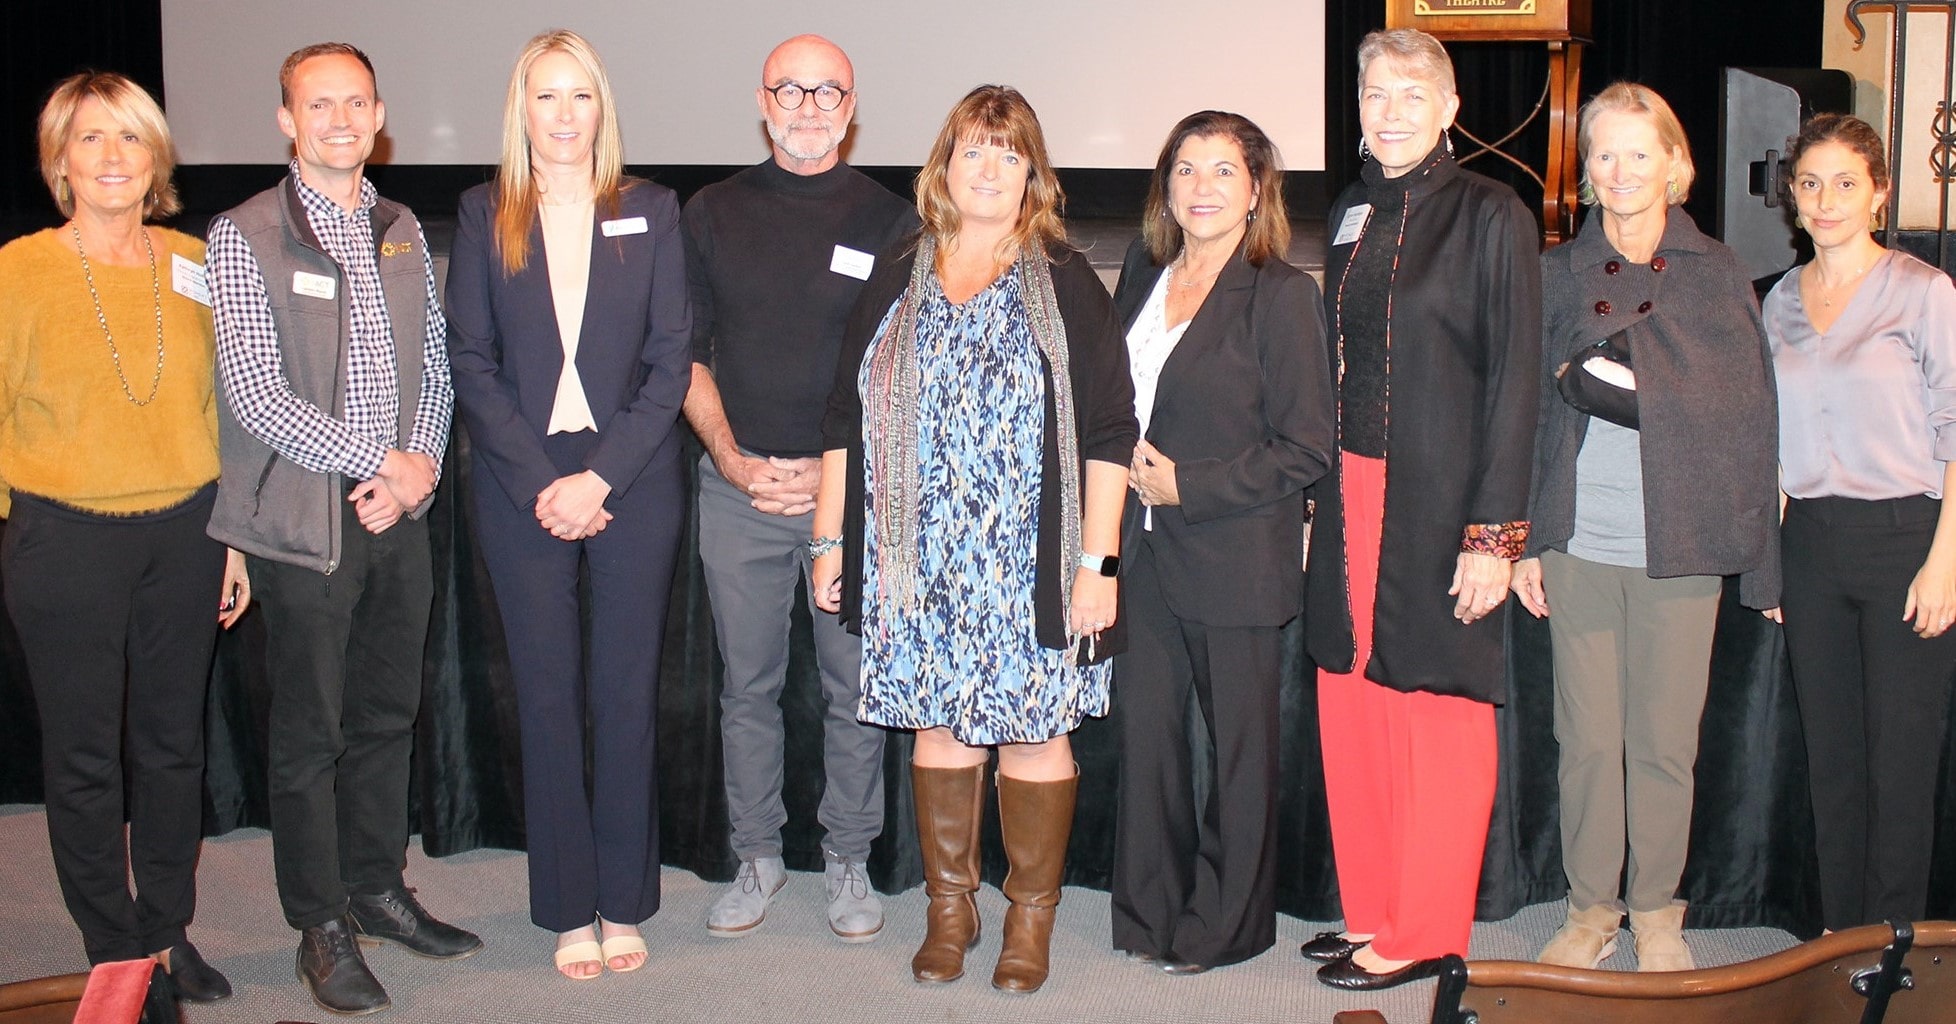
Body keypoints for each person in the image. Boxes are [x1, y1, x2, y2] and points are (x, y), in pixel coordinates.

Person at [811, 84, 1136, 994]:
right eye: (972, 151)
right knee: (940, 730)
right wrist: (828, 541)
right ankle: (950, 909)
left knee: (1034, 736)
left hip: (1030, 564)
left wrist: (1097, 565)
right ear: (943, 166)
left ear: (1033, 172)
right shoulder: (901, 266)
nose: (988, 169)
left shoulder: (1065, 276)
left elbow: (1110, 430)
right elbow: (847, 411)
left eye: (1007, 153)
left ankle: (1028, 920)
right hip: (917, 563)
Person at [205, 42, 477, 1016]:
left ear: (378, 114)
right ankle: (318, 921)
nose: (337, 119)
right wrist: (379, 463)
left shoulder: (403, 228)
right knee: (309, 733)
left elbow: (437, 373)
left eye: (353, 103)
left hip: (398, 513)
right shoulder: (243, 235)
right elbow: (254, 394)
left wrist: (419, 470)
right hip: (308, 520)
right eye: (317, 105)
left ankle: (374, 885)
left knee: (387, 716)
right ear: (287, 120)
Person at [1510, 82, 1780, 972]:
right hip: (1581, 541)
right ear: (1584, 171)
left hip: (1682, 543)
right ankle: (1591, 909)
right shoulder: (1554, 273)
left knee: (1666, 743)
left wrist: (1606, 378)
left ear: (1675, 163)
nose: (1620, 171)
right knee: (1586, 741)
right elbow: (1528, 416)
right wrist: (1527, 541)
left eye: (1638, 152)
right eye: (1603, 154)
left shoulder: (1716, 272)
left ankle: (1657, 911)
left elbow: (1748, 419)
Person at [0, 70, 249, 1015]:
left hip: (186, 533)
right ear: (60, 160)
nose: (112, 158)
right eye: (90, 138)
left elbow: (223, 410)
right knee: (83, 757)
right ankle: (114, 948)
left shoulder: (195, 263)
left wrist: (231, 536)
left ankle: (167, 929)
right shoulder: (19, 271)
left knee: (171, 746)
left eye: (130, 138)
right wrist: (22, 529)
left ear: (157, 159)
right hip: (66, 543)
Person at [1299, 28, 1541, 991]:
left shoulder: (1494, 214)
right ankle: (1375, 910)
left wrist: (1494, 536)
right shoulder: (1352, 210)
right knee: (1351, 698)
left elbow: (1518, 382)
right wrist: (1320, 500)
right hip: (1352, 489)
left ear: (1449, 109)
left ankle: (1430, 927)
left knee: (1437, 709)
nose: (1388, 113)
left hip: (1442, 498)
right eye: (1372, 94)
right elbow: (1334, 363)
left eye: (1411, 94)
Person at [446, 29, 690, 980]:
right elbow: (470, 358)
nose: (562, 115)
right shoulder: (481, 214)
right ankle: (564, 907)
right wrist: (543, 480)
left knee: (624, 696)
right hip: (521, 486)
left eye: (579, 96)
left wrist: (601, 477)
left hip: (632, 481)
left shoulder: (651, 209)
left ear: (602, 108)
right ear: (522, 110)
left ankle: (623, 898)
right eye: (545, 97)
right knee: (547, 698)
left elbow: (672, 360)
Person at [681, 34, 916, 944]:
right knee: (748, 687)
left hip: (847, 496)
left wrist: (832, 474)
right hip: (736, 489)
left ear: (852, 108)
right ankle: (757, 855)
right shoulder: (710, 212)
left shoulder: (894, 221)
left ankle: (849, 860)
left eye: (829, 91)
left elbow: (898, 373)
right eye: (791, 88)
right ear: (762, 100)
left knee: (851, 685)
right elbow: (686, 354)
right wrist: (736, 460)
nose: (810, 105)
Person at [1107, 111, 1333, 975]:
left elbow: (1305, 447)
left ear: (1256, 190)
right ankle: (1149, 913)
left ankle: (1228, 924)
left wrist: (1187, 486)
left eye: (1222, 171)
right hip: (1139, 550)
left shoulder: (1281, 293)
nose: (1201, 188)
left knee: (1237, 753)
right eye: (1185, 170)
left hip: (1235, 553)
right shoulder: (1142, 272)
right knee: (1149, 737)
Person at [1766, 112, 1956, 933]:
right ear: (1792, 201)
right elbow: (1770, 444)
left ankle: (1896, 951)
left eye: (1846, 181)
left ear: (1879, 192)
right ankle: (1843, 944)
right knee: (1833, 762)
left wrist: (1947, 562)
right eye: (1810, 183)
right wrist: (1770, 562)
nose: (1826, 199)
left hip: (1908, 544)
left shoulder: (1924, 291)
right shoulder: (1775, 301)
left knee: (1900, 764)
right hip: (1809, 543)